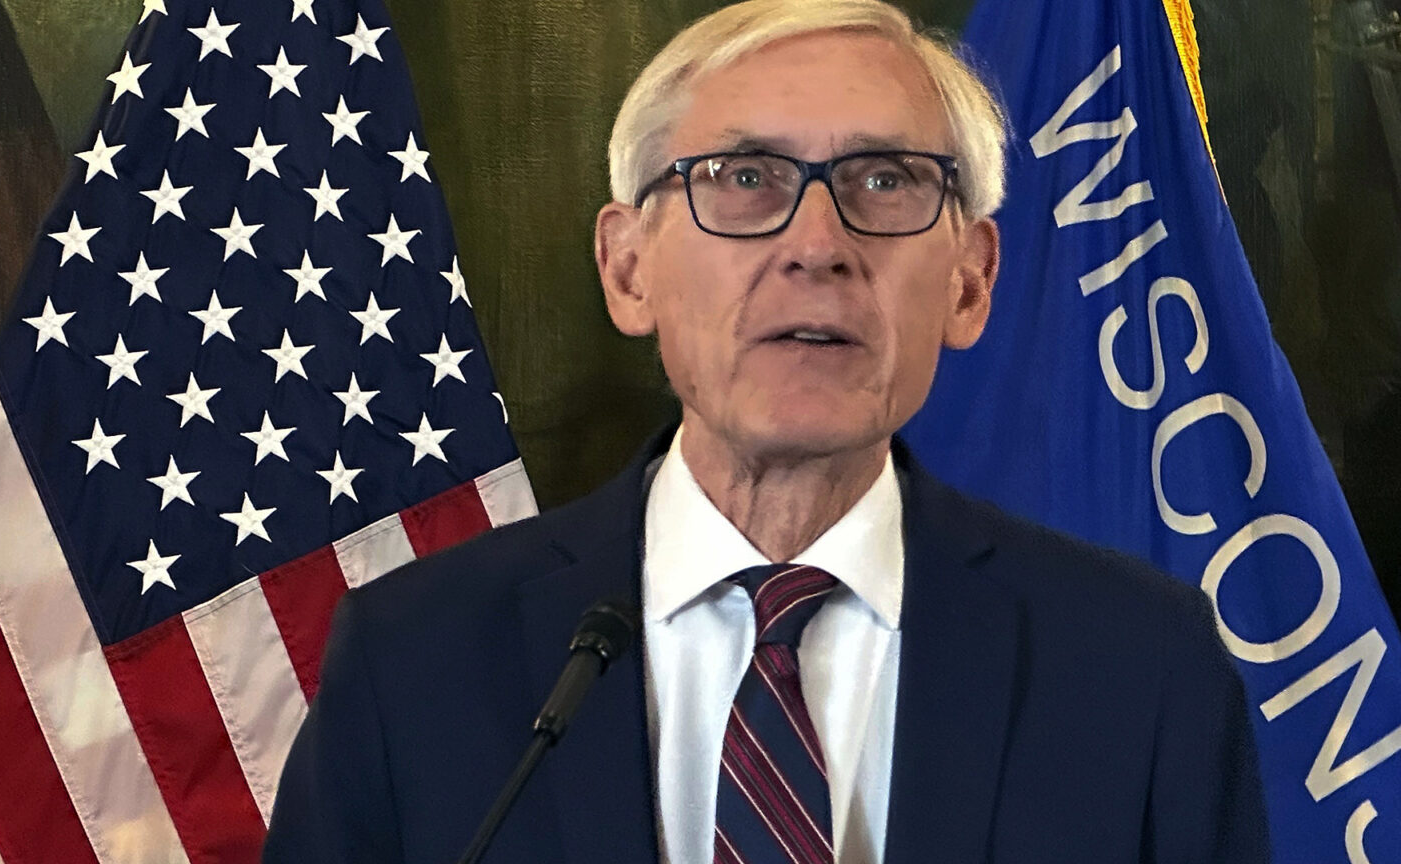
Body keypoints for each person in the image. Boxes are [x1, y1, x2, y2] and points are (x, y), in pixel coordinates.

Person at [264, 1, 1270, 861]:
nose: (818, 246)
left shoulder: (1140, 668)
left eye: (885, 180)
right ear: (628, 269)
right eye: (745, 179)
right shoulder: (412, 661)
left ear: (971, 279)